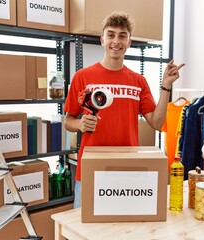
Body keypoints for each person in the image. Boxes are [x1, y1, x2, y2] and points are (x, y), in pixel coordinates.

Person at [64, 11, 185, 208]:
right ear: (102, 40)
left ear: (129, 42)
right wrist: (79, 123)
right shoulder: (82, 77)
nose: (116, 41)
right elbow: (67, 121)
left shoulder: (138, 81)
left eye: (122, 36)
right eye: (111, 35)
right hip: (90, 171)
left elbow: (156, 122)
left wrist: (166, 86)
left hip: (126, 170)